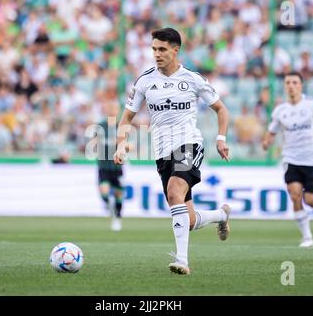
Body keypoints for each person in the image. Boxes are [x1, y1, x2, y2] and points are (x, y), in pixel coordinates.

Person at [113, 27, 231, 275]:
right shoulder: (145, 81)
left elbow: (221, 109)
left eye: (162, 49)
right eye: (154, 48)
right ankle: (221, 215)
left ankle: (182, 261)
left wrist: (220, 138)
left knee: (175, 190)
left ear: (175, 50)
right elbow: (127, 117)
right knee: (187, 220)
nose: (157, 54)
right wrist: (121, 143)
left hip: (189, 144)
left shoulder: (192, 79)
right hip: (162, 153)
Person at [262, 71, 313, 248]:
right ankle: (307, 237)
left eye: (295, 82)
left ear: (301, 86)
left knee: (312, 201)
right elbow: (272, 131)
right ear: (284, 86)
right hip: (291, 159)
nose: (291, 86)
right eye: (288, 82)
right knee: (295, 194)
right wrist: (267, 141)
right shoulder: (280, 110)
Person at [96, 102, 125, 231]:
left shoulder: (121, 127)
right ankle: (109, 205)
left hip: (117, 166)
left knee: (119, 194)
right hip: (103, 165)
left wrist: (122, 146)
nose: (112, 110)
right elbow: (92, 144)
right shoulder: (100, 126)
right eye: (110, 108)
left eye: (115, 108)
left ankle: (117, 217)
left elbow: (130, 145)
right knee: (104, 190)